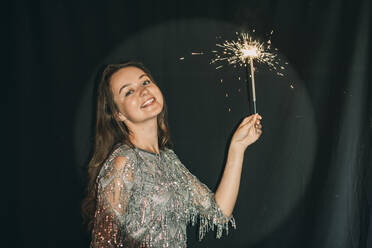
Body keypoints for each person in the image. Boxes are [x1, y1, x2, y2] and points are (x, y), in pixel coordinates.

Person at [81, 61, 262, 248]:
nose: (143, 91)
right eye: (129, 91)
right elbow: (104, 243)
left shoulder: (169, 159)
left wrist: (237, 147)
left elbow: (219, 212)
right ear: (118, 113)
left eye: (145, 82)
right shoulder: (123, 161)